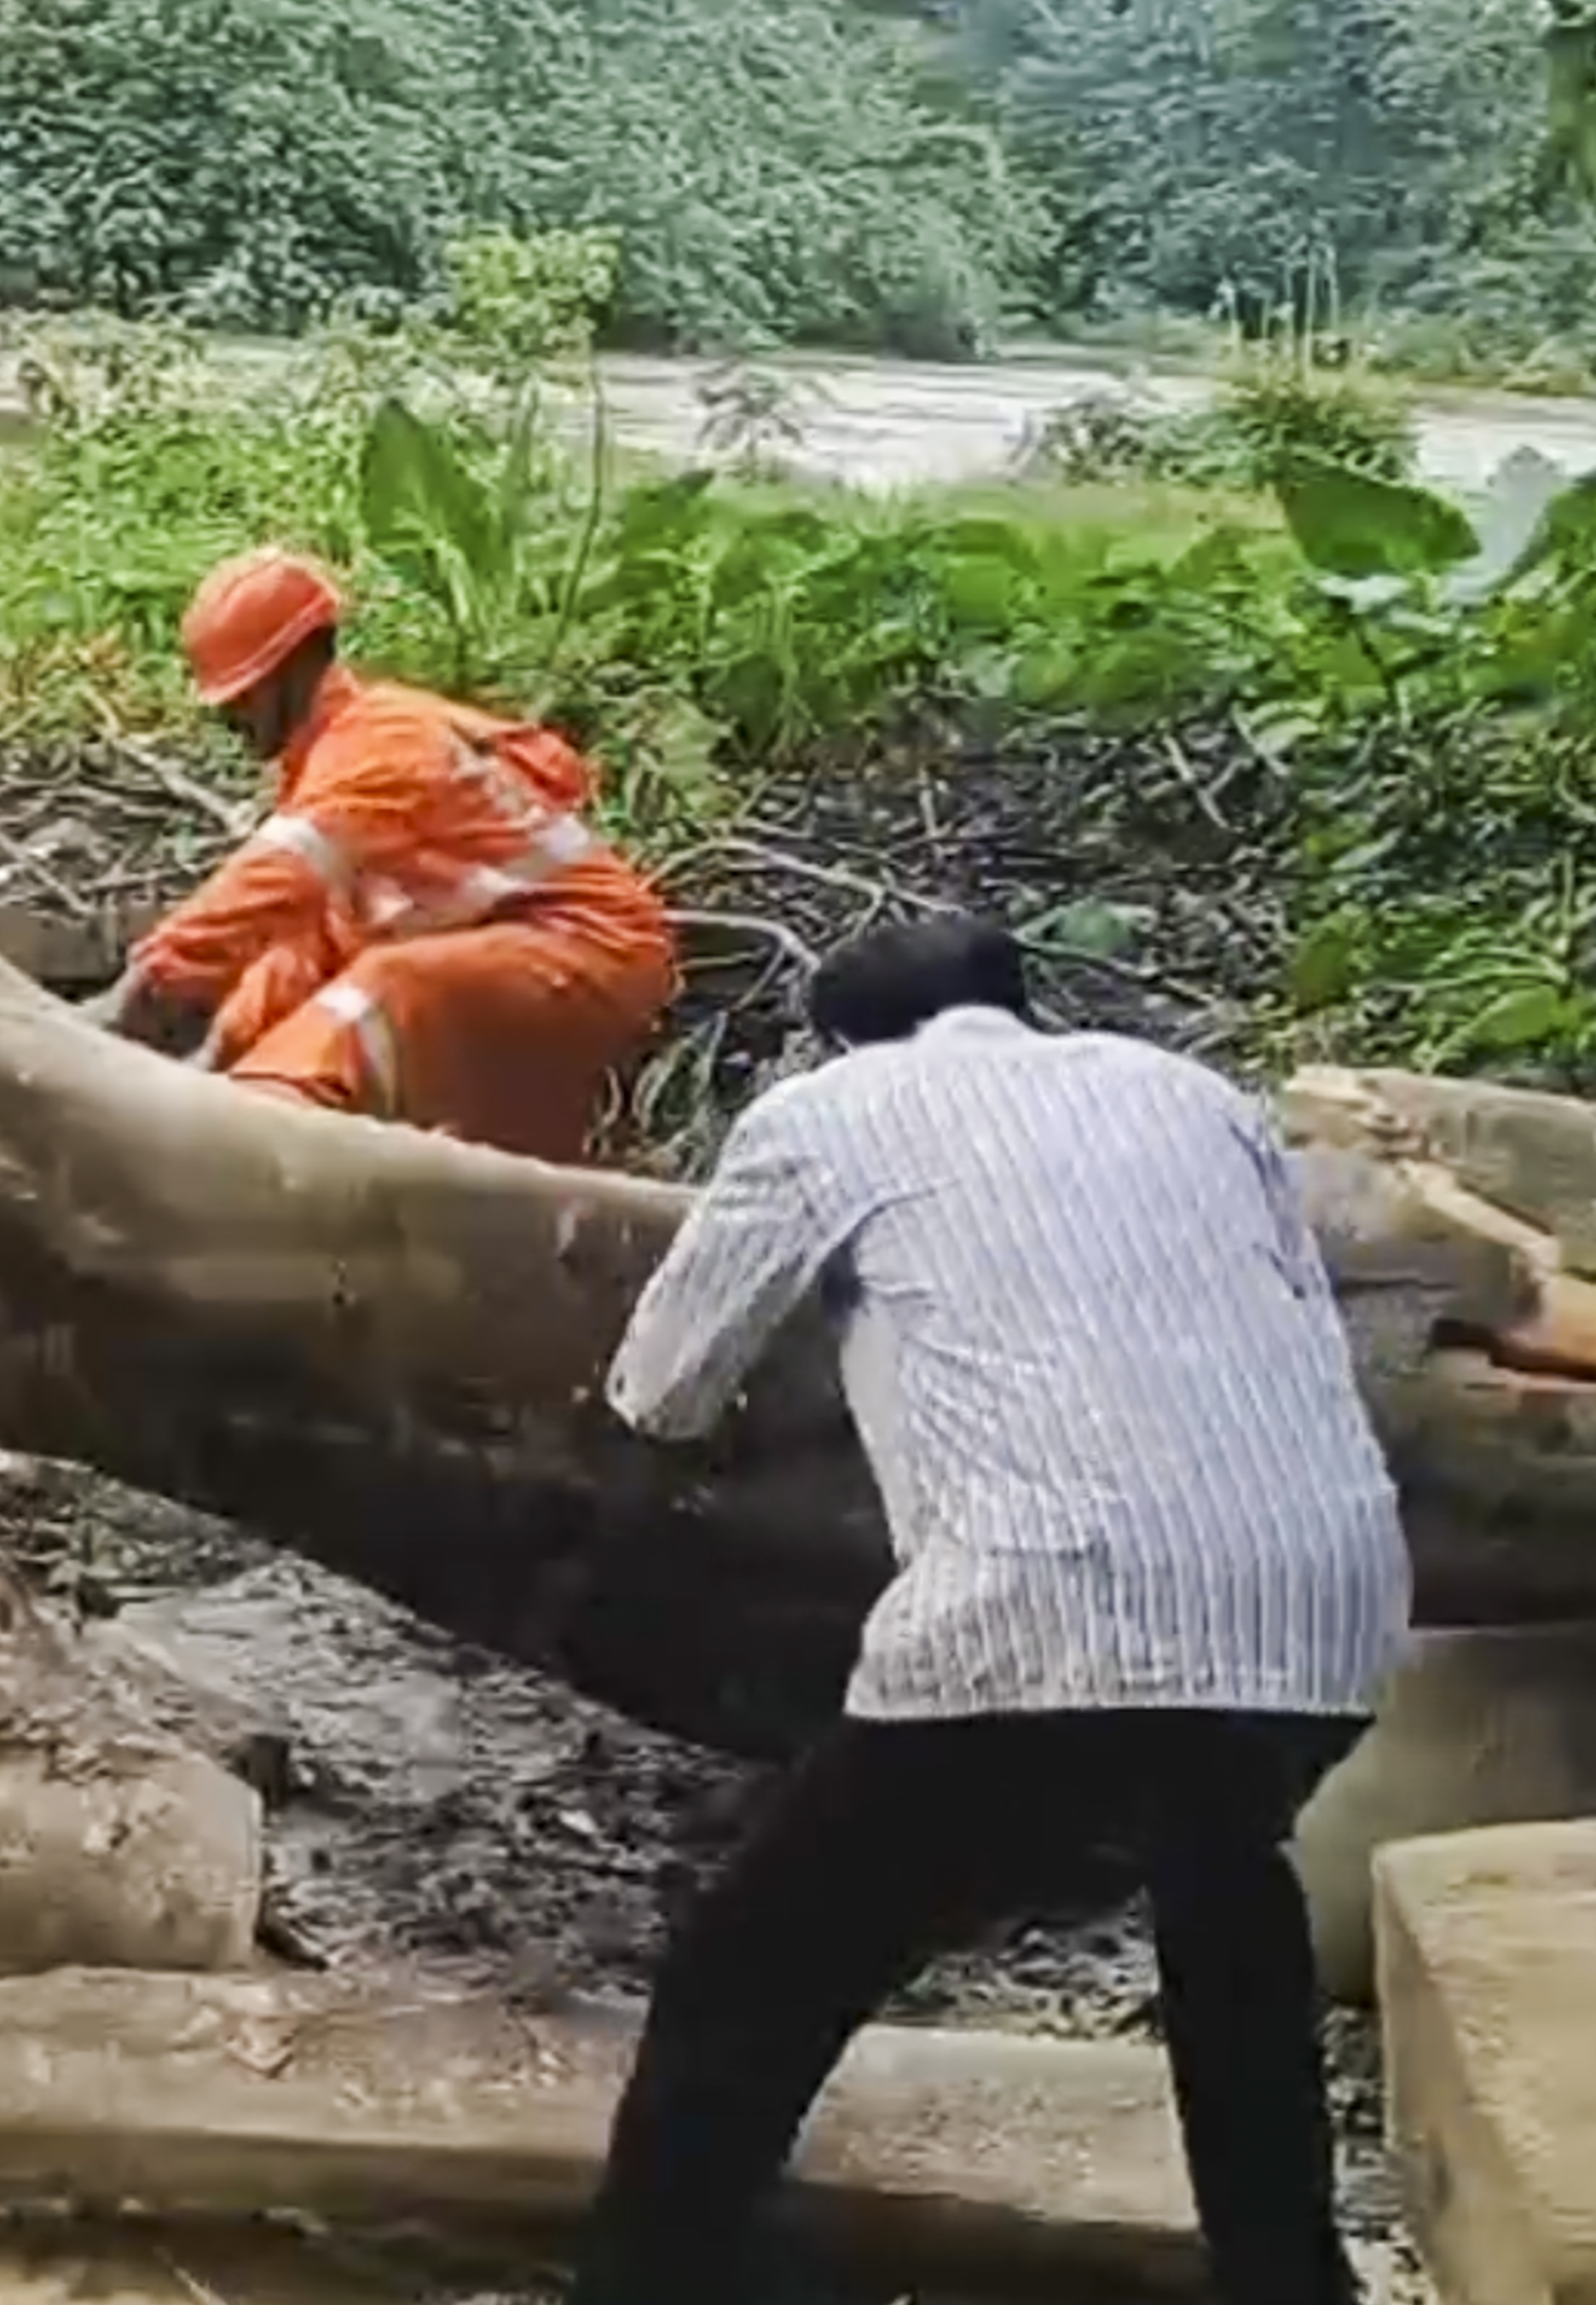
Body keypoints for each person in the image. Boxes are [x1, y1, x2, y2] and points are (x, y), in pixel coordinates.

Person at [578, 915, 1408, 2305]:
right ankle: (1288, 2280)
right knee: (1227, 1926)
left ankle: (646, 2283)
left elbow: (660, 1389)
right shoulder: (1194, 1095)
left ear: (844, 1038)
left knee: (755, 1972)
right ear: (1024, 1002)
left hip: (1041, 1596)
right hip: (1321, 1604)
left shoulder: (823, 1111)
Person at [88, 549, 677, 1163]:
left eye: (242, 696)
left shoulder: (376, 748)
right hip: (511, 956)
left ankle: (247, 1151)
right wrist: (221, 1056)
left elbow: (266, 885)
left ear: (293, 671)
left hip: (593, 953)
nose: (229, 718)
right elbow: (306, 942)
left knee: (386, 986)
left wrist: (141, 993)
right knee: (343, 961)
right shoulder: (343, 751)